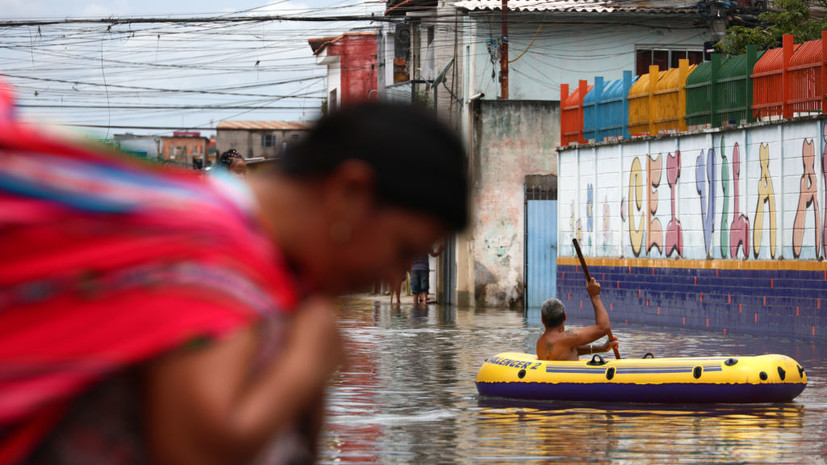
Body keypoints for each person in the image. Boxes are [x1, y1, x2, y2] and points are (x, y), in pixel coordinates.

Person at [0, 98, 468, 465]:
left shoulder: (255, 260)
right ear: (349, 193)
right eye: (401, 249)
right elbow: (197, 451)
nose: (393, 274)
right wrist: (308, 360)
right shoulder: (218, 256)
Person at [536, 278, 619, 361]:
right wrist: (595, 296)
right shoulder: (567, 337)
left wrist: (602, 348)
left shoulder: (540, 342)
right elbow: (604, 328)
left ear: (542, 320)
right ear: (565, 316)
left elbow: (569, 349)